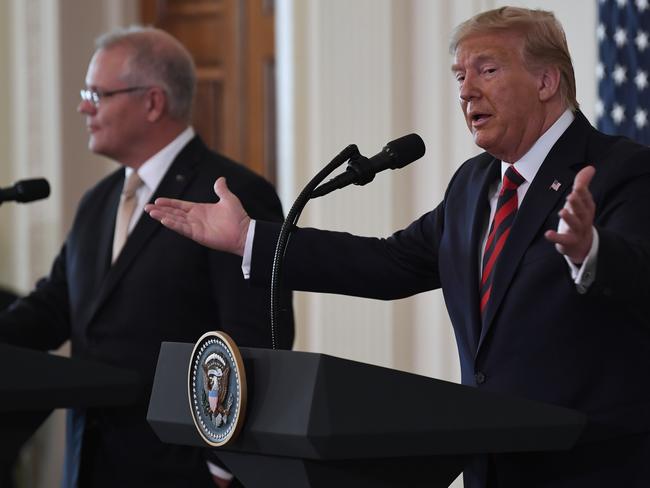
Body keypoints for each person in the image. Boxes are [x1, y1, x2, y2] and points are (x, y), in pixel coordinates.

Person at [146, 6, 650, 487]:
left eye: (487, 70)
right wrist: (249, 237)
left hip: (591, 466)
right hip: (491, 463)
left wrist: (591, 252)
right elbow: (388, 263)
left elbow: (639, 275)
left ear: (546, 81)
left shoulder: (620, 170)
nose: (467, 91)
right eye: (459, 76)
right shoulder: (473, 185)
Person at [0, 26, 293, 488]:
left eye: (96, 94)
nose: (83, 107)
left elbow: (258, 339)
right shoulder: (99, 200)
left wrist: (222, 467)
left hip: (181, 470)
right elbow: (54, 306)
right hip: (91, 463)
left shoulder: (232, 197)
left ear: (153, 102)